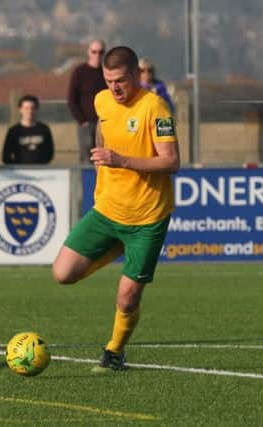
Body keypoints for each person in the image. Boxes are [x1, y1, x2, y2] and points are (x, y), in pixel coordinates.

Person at [52, 46, 179, 372]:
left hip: (147, 217)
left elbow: (171, 161)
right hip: (108, 209)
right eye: (109, 81)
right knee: (62, 274)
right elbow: (102, 128)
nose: (115, 88)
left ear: (136, 74)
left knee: (127, 297)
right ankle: (116, 249)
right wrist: (102, 158)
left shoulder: (157, 108)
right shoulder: (101, 100)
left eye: (121, 80)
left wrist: (120, 160)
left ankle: (114, 352)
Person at [67, 39, 107, 164]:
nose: (97, 55)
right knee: (87, 158)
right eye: (94, 52)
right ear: (88, 52)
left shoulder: (107, 73)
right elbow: (71, 98)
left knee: (106, 157)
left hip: (106, 123)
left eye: (100, 52)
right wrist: (82, 120)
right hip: (87, 124)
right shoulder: (80, 72)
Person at [2, 94, 54, 165]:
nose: (30, 111)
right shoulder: (13, 131)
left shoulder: (44, 129)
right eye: (26, 108)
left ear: (37, 109)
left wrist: (41, 166)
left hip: (41, 171)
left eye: (33, 108)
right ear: (20, 110)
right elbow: (5, 156)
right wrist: (16, 168)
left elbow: (50, 153)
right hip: (20, 172)